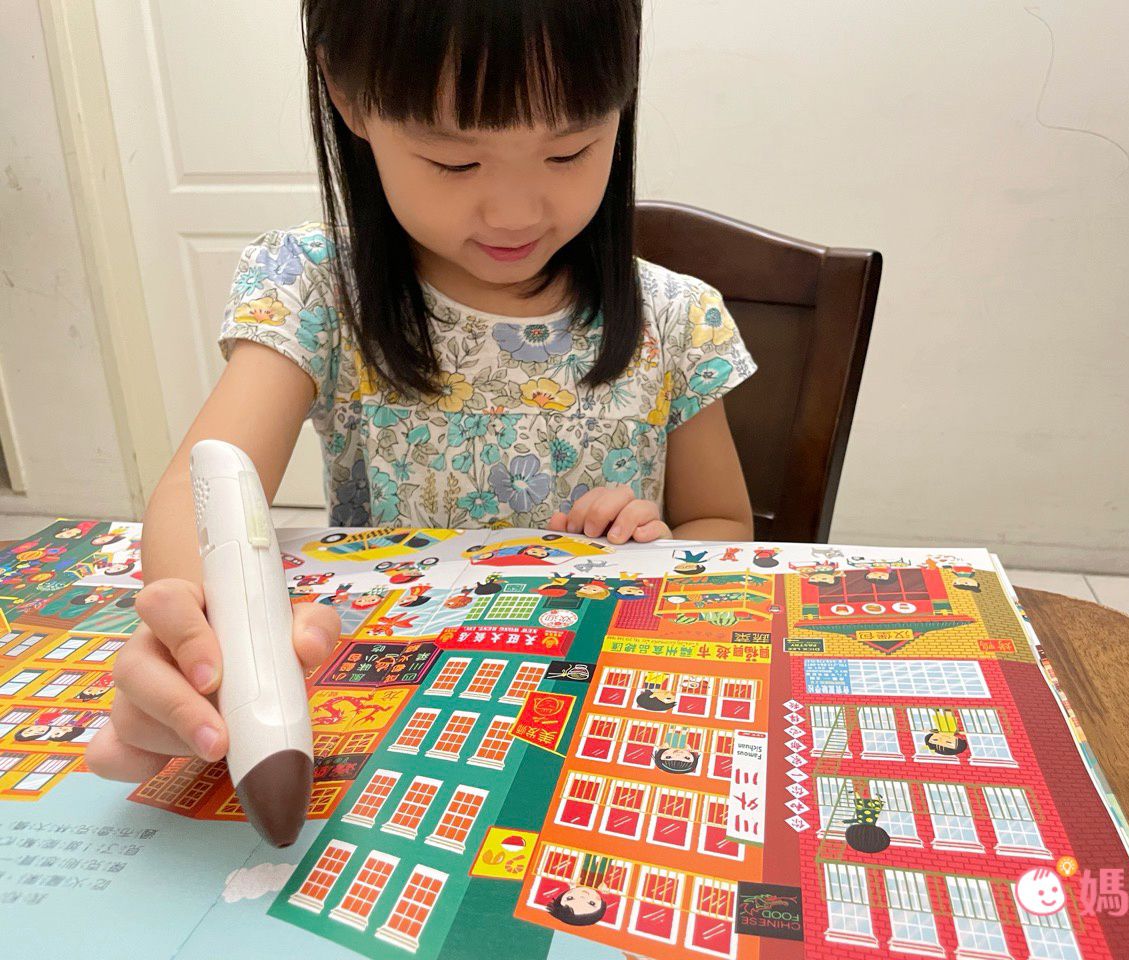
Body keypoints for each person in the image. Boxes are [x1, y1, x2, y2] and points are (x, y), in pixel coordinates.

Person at [87, 0, 755, 783]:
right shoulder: (316, 290)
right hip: (394, 723)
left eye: (570, 151)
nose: (514, 212)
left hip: (597, 712)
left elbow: (724, 524)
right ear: (347, 95)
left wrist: (657, 542)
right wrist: (207, 642)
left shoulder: (675, 318)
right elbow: (202, 493)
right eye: (454, 162)